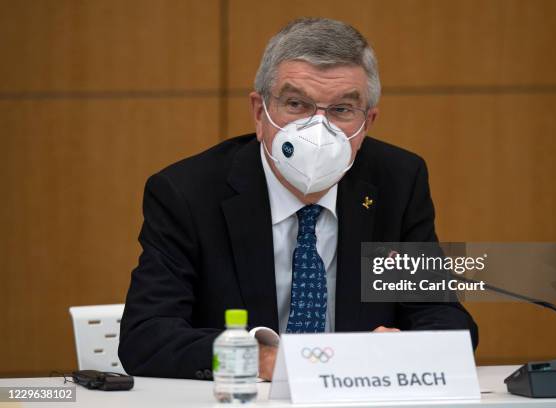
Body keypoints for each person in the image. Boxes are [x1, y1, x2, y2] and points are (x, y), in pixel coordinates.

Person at [119, 17, 478, 381]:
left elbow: (446, 319)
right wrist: (264, 361)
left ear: (367, 122)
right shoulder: (189, 193)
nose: (316, 129)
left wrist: (409, 349)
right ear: (260, 114)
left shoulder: (396, 182)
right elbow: (145, 339)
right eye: (296, 104)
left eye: (341, 110)